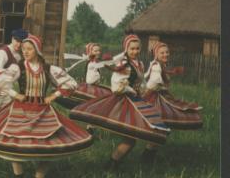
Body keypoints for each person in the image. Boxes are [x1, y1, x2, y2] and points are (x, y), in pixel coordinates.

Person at [0, 34, 93, 178]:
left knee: (50, 146)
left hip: (43, 110)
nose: (25, 52)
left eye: (29, 49)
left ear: (37, 50)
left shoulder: (49, 69)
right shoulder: (18, 68)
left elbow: (71, 83)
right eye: (23, 49)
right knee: (15, 144)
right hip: (21, 109)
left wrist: (54, 96)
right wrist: (15, 95)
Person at [70, 34, 170, 171]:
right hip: (124, 101)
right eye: (132, 49)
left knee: (142, 134)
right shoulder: (123, 64)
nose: (135, 51)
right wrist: (130, 89)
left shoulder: (139, 63)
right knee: (130, 139)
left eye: (137, 48)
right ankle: (112, 165)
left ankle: (126, 161)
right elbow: (116, 87)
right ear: (126, 49)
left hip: (136, 101)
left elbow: (141, 82)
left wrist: (141, 91)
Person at [140, 41, 203, 162]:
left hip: (161, 96)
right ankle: (147, 157)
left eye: (167, 52)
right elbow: (153, 83)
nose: (165, 54)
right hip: (155, 98)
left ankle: (148, 155)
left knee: (162, 128)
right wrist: (144, 95)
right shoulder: (156, 66)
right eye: (162, 52)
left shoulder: (160, 66)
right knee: (161, 127)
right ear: (156, 55)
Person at [56, 42, 113, 111]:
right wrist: (109, 62)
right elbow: (99, 65)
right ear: (90, 52)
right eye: (95, 51)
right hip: (90, 85)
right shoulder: (91, 64)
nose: (98, 52)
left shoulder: (95, 62)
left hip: (95, 85)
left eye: (99, 51)